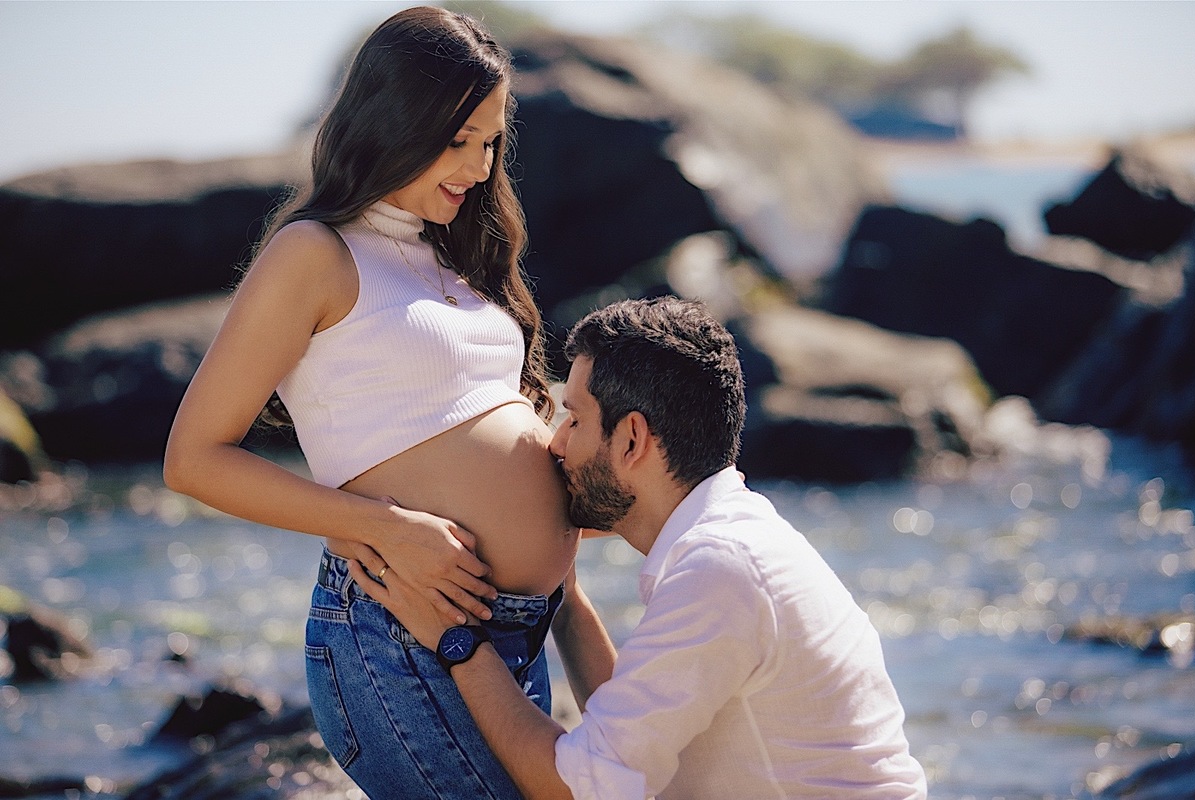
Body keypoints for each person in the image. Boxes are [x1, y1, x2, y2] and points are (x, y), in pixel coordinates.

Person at [163, 7, 580, 799]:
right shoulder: (313, 255)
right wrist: (384, 527)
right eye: (456, 140)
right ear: (392, 121)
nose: (478, 166)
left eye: (491, 141)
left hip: (513, 634)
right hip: (398, 628)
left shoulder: (452, 259)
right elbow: (192, 460)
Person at [352, 296, 928, 799]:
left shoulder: (719, 571)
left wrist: (454, 639)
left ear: (631, 440)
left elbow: (574, 789)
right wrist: (565, 598)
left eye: (574, 419)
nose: (555, 442)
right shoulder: (737, 539)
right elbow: (629, 744)